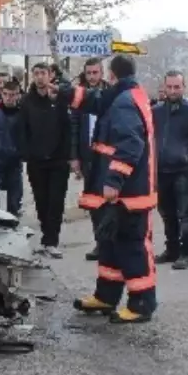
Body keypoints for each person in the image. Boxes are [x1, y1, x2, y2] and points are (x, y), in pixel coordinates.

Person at [73, 55, 158, 324]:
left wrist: (113, 181)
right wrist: (65, 92)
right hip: (123, 193)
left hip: (128, 194)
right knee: (110, 245)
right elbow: (97, 101)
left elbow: (130, 145)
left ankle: (141, 303)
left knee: (131, 246)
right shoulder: (129, 95)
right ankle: (106, 296)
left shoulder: (123, 102)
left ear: (111, 75)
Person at [152, 70, 188, 269]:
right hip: (162, 171)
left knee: (185, 214)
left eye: (176, 87)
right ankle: (172, 250)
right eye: (169, 87)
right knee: (166, 213)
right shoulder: (157, 111)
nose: (172, 90)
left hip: (184, 171)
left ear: (183, 87)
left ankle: (187, 253)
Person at [17, 62, 73, 257]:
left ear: (50, 75)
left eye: (43, 73)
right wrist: (26, 152)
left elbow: (68, 128)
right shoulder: (26, 101)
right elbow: (21, 129)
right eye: (37, 73)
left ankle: (52, 240)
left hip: (58, 160)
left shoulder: (59, 99)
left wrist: (69, 155)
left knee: (56, 201)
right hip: (36, 160)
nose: (40, 77)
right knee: (41, 200)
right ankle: (46, 236)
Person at [69, 58, 113, 261]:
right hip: (88, 157)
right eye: (89, 73)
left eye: (96, 73)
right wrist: (74, 157)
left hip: (109, 157)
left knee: (111, 202)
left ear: (102, 73)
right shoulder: (80, 97)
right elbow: (74, 127)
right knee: (94, 202)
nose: (93, 77)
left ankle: (111, 243)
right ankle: (100, 243)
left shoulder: (112, 94)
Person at [0, 79, 24, 215]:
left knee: (15, 199)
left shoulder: (22, 112)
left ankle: (12, 222)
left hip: (14, 160)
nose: (9, 98)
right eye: (6, 94)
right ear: (2, 93)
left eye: (12, 95)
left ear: (18, 95)